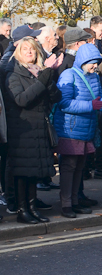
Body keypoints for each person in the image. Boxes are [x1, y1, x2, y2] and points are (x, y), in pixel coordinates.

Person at [56, 43, 102, 218]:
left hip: (87, 129)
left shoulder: (93, 76)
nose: (95, 66)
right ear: (84, 60)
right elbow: (64, 103)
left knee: (79, 166)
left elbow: (98, 98)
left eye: (96, 62)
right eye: (92, 62)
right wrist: (91, 105)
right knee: (69, 166)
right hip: (70, 130)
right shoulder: (68, 75)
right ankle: (66, 204)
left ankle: (75, 201)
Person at [6, 37, 62, 224]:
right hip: (22, 129)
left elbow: (56, 97)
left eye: (32, 49)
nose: (29, 52)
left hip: (39, 128)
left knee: (34, 172)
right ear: (18, 53)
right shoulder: (14, 74)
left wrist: (47, 77)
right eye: (25, 49)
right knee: (23, 173)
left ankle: (32, 208)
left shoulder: (39, 72)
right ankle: (23, 210)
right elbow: (22, 100)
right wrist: (42, 81)